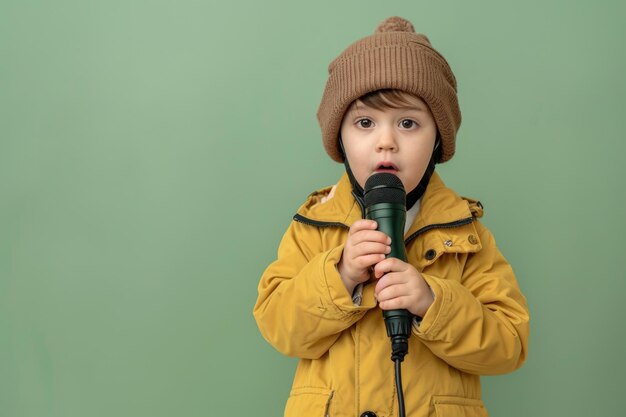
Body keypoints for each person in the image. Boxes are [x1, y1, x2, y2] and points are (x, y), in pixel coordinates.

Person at [253, 16, 529, 417]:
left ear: (438, 139)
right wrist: (340, 274)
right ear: (339, 139)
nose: (386, 141)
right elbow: (280, 327)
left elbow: (510, 343)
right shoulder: (315, 225)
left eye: (408, 123)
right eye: (365, 123)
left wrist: (433, 303)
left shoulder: (466, 235)